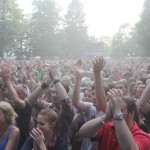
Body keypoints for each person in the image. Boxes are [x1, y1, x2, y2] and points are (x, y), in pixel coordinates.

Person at [79, 89, 150, 150]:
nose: (114, 112)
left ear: (131, 114)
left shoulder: (142, 136)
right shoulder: (109, 126)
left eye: (120, 110)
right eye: (113, 109)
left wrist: (117, 113)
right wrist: (106, 117)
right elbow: (83, 132)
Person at [72, 57, 107, 150]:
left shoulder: (111, 111)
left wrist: (97, 73)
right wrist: (79, 76)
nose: (94, 96)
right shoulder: (90, 107)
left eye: (95, 93)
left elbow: (103, 105)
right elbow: (75, 102)